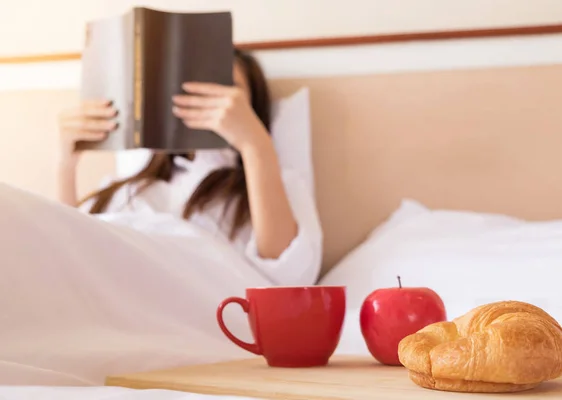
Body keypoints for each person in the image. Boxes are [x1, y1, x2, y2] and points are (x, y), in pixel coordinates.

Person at [0, 49, 322, 385]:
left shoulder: (272, 181)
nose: (206, 100)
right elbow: (69, 246)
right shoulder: (127, 187)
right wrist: (66, 162)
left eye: (226, 89)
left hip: (184, 288)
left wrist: (255, 145)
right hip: (104, 281)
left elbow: (290, 275)